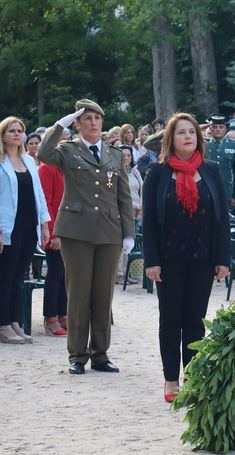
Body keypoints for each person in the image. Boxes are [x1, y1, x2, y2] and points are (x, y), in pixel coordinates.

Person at [37, 99, 135, 374]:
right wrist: (60, 125)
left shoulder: (115, 154)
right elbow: (43, 153)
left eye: (97, 118)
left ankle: (100, 354)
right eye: (87, 118)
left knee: (103, 296)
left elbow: (123, 197)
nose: (93, 123)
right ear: (78, 123)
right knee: (79, 293)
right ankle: (78, 355)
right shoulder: (68, 149)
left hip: (109, 231)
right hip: (76, 232)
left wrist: (129, 232)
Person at [142, 113, 230, 402]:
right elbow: (151, 221)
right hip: (169, 260)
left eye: (191, 132)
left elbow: (222, 219)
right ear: (171, 139)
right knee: (171, 319)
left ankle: (192, 376)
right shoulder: (158, 173)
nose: (187, 137)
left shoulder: (211, 170)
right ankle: (171, 380)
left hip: (202, 258)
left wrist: (223, 259)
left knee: (195, 319)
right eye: (181, 133)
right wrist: (151, 260)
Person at [0, 117, 51, 344]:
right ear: (3, 135)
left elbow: (39, 194)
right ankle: (3, 324)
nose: (17, 134)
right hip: (7, 227)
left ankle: (15, 322)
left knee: (19, 276)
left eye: (20, 130)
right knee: (5, 276)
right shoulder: (0, 162)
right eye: (12, 131)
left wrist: (44, 223)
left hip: (28, 227)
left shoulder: (29, 161)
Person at [38, 149, 68, 336]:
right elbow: (46, 202)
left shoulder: (65, 168)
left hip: (69, 230)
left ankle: (62, 313)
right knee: (55, 272)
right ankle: (50, 317)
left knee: (66, 273)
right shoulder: (46, 168)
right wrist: (54, 232)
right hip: (55, 229)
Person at [116, 146, 143, 284]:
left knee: (130, 242)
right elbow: (118, 195)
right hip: (123, 211)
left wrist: (141, 206)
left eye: (128, 155)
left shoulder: (135, 172)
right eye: (124, 155)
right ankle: (119, 274)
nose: (126, 158)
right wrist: (134, 206)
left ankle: (127, 273)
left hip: (137, 212)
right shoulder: (116, 173)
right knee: (122, 243)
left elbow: (142, 189)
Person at [206, 114, 235, 209]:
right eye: (215, 127)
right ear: (210, 129)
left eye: (221, 127)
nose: (218, 129)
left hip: (226, 191)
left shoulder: (234, 145)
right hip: (208, 189)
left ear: (226, 129)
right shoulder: (205, 145)